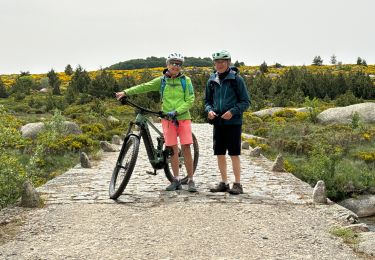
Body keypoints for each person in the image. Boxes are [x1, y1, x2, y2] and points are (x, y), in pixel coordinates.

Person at [115, 53, 197, 192]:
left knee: (186, 148)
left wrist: (176, 111)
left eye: (178, 64)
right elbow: (144, 86)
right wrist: (126, 91)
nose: (176, 66)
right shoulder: (162, 81)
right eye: (173, 63)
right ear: (167, 64)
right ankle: (176, 179)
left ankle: (190, 180)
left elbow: (190, 100)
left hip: (183, 118)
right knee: (171, 150)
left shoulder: (186, 81)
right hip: (167, 119)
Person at [204, 50, 250, 195]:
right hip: (218, 123)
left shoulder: (237, 80)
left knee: (234, 154)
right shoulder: (211, 80)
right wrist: (209, 110)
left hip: (234, 123)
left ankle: (237, 184)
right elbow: (207, 101)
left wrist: (233, 112)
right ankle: (224, 183)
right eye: (217, 62)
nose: (220, 64)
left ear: (228, 62)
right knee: (220, 153)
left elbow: (246, 102)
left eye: (223, 62)